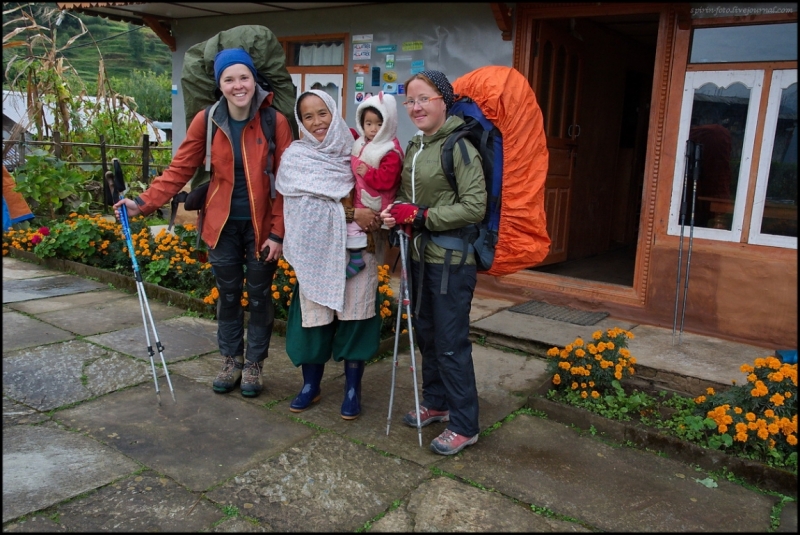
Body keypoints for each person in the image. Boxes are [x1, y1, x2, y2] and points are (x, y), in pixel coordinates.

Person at [113, 48, 293, 398]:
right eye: (229, 79)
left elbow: (288, 183)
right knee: (228, 295)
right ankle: (231, 360)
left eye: (244, 77)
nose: (238, 85)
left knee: (258, 297)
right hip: (220, 226)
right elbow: (180, 168)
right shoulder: (207, 120)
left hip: (262, 228)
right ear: (220, 84)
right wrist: (143, 203)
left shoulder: (275, 121)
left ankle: (254, 363)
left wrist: (278, 232)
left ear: (254, 78)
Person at [380, 70, 487, 456]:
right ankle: (437, 402)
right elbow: (408, 201)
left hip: (452, 262)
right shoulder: (416, 145)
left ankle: (465, 424)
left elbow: (475, 207)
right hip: (418, 257)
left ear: (444, 101)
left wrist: (421, 216)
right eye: (410, 100)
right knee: (425, 333)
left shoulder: (460, 146)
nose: (416, 107)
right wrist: (397, 214)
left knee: (450, 342)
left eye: (424, 98)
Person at [276, 89, 383, 420]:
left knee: (356, 318)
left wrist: (369, 214)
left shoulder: (358, 151)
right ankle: (311, 385)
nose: (317, 122)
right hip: (315, 254)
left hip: (357, 250)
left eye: (322, 113)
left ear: (334, 112)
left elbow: (376, 193)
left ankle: (352, 389)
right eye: (308, 116)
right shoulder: (295, 158)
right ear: (301, 122)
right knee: (313, 321)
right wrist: (351, 214)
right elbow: (302, 210)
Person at [347, 91, 403, 278]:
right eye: (368, 124)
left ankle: (357, 260)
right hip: (362, 199)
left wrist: (368, 173)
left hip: (375, 206)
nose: (373, 129)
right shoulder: (363, 142)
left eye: (380, 124)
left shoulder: (390, 150)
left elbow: (387, 180)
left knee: (354, 229)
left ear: (389, 124)